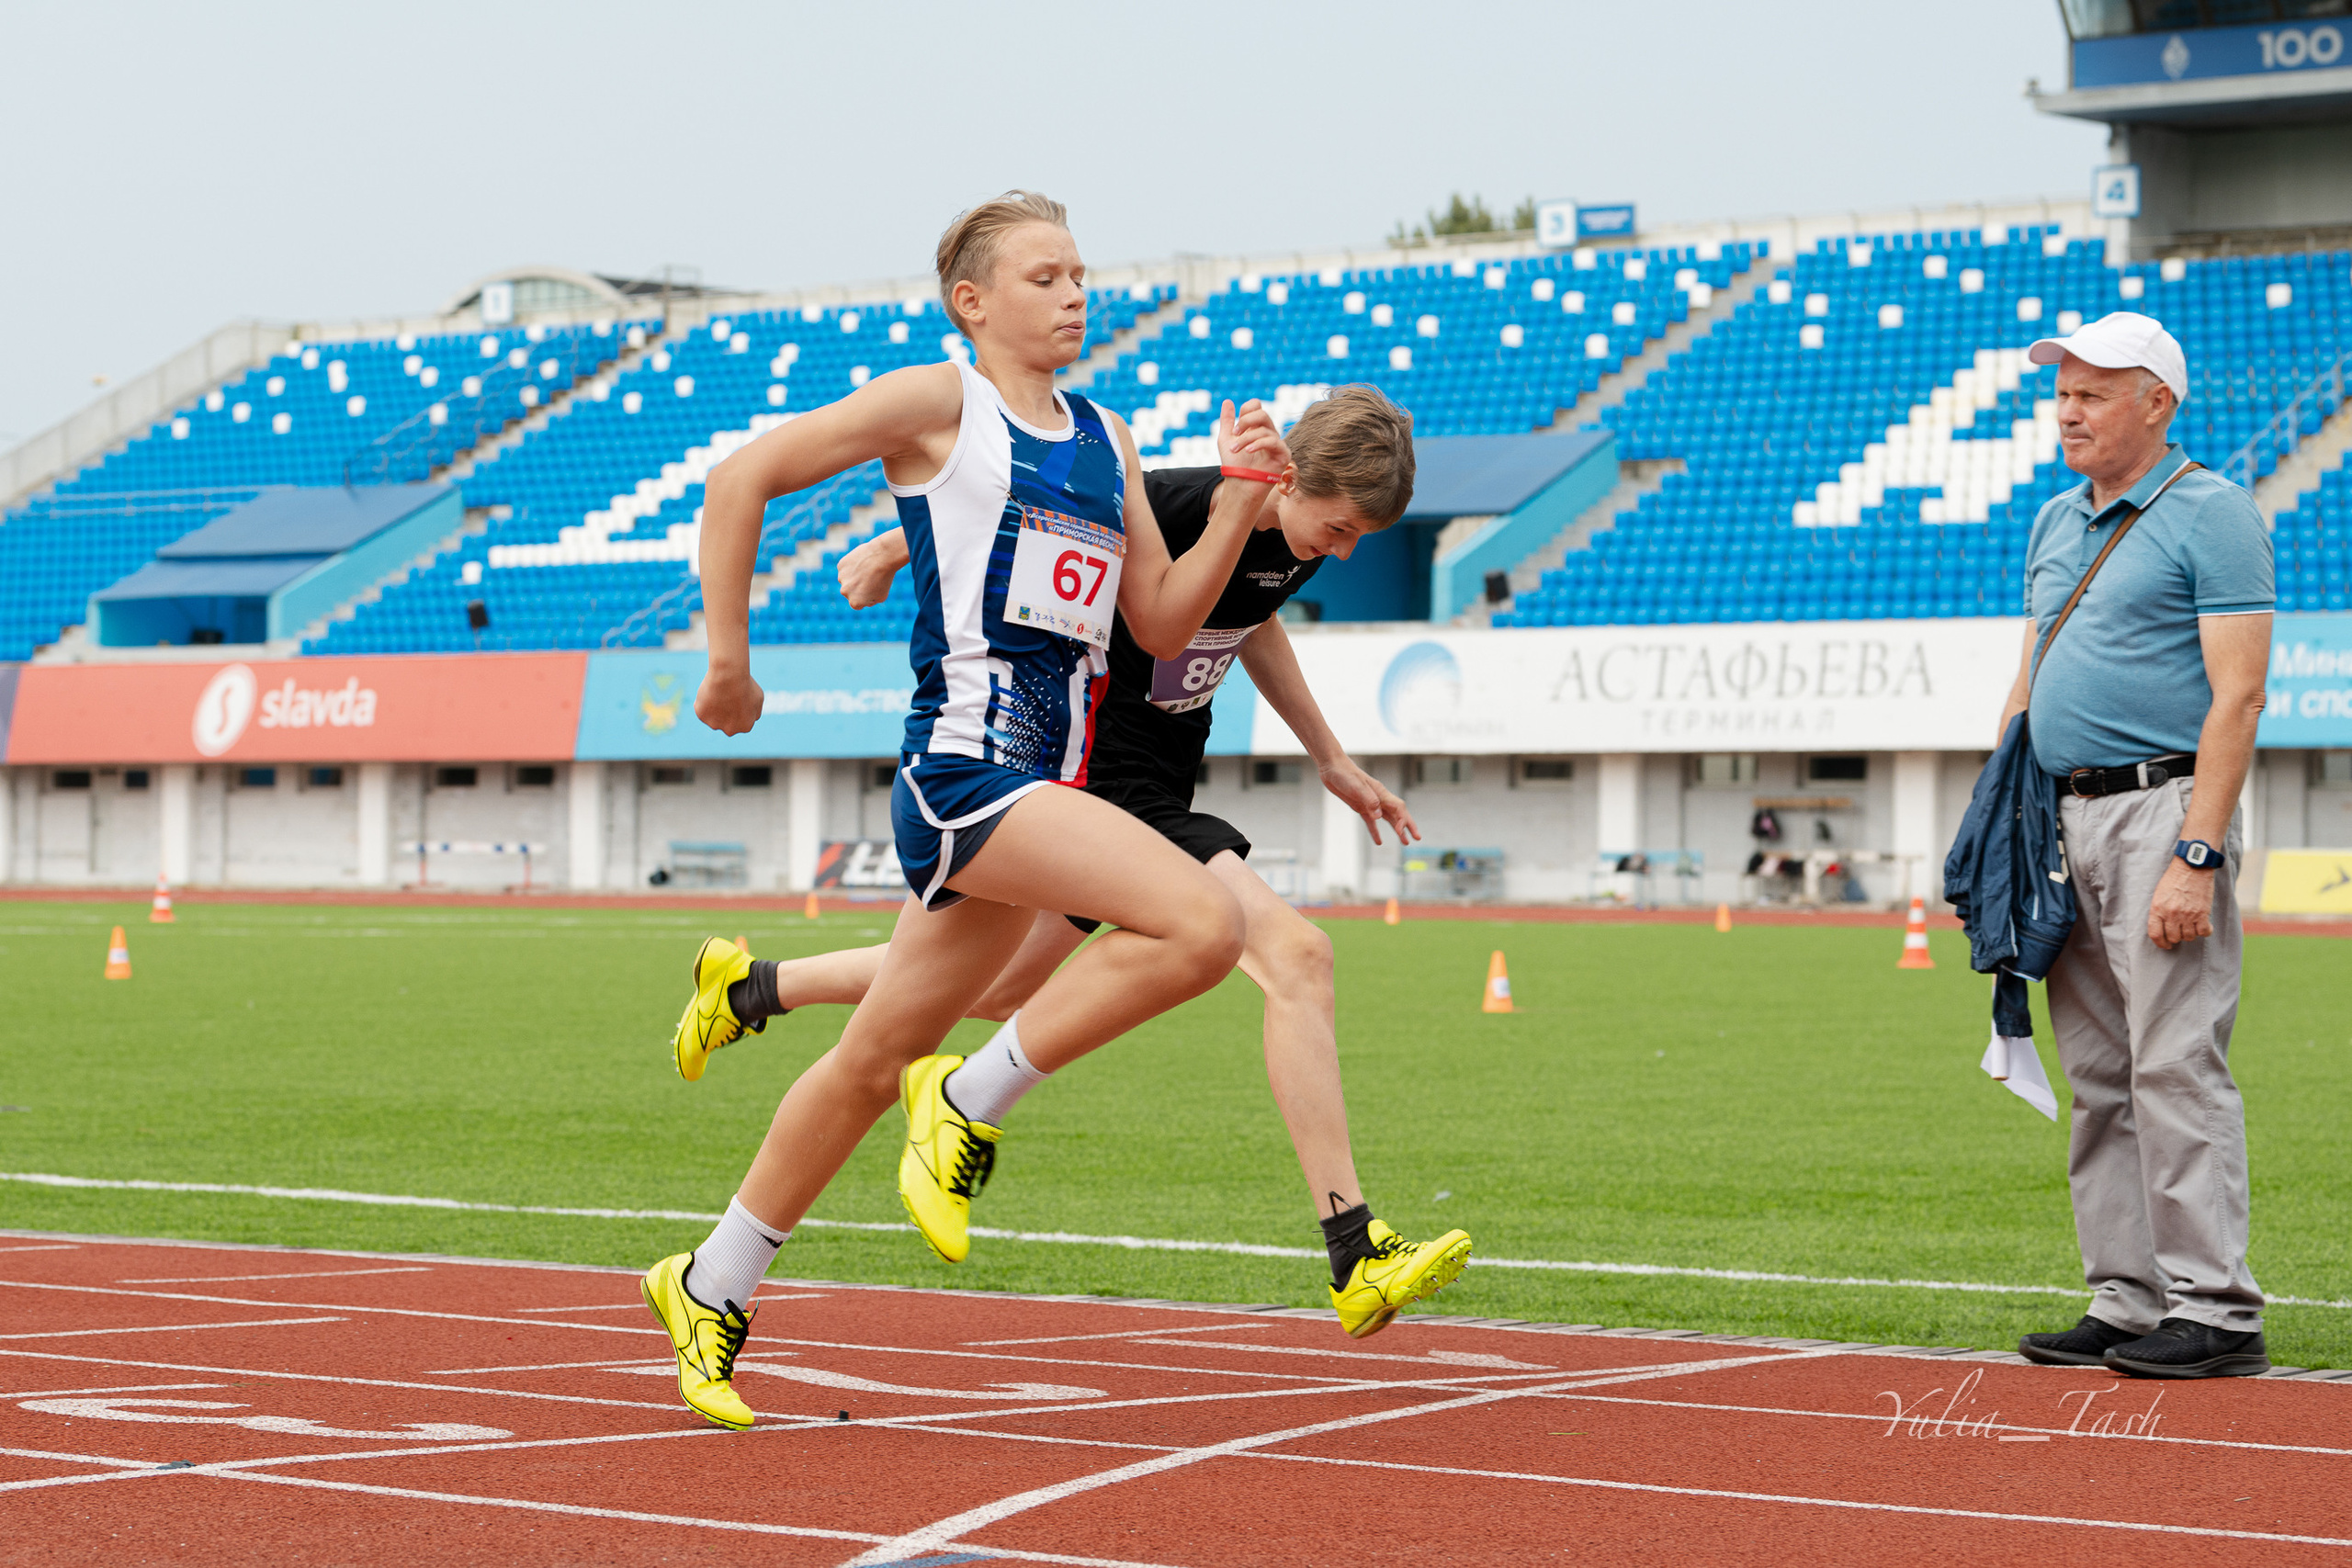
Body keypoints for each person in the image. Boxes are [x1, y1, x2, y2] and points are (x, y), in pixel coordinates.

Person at [641, 191, 1296, 1432]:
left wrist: (1243, 504)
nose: (1074, 293)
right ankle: (969, 1098)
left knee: (868, 1056)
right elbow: (742, 481)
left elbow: (1159, 626)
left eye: (1082, 272)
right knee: (1203, 923)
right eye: (1045, 275)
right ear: (973, 302)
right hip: (965, 772)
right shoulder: (938, 404)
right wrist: (724, 661)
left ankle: (709, 1280)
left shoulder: (1106, 439)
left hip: (1044, 783)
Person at [694, 385, 1476, 1342]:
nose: (1343, 548)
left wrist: (1329, 757)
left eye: (1358, 536)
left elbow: (1248, 618)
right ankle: (1353, 1247)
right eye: (1341, 526)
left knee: (996, 990)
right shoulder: (1191, 498)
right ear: (1290, 477)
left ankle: (754, 987)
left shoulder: (1293, 539)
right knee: (1294, 954)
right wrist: (899, 543)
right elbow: (1041, 518)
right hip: (1102, 780)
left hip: (1148, 791)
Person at [1997, 311, 2275, 1381]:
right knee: (2102, 1072)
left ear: (2156, 403)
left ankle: (2217, 1309)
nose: (2067, 407)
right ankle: (2126, 1297)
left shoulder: (2211, 513)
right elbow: (2030, 678)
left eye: (2093, 390)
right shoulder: (2053, 521)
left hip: (2161, 810)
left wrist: (2196, 854)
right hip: (2059, 814)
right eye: (2060, 389)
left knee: (2174, 1063)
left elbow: (2238, 695)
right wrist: (2004, 817)